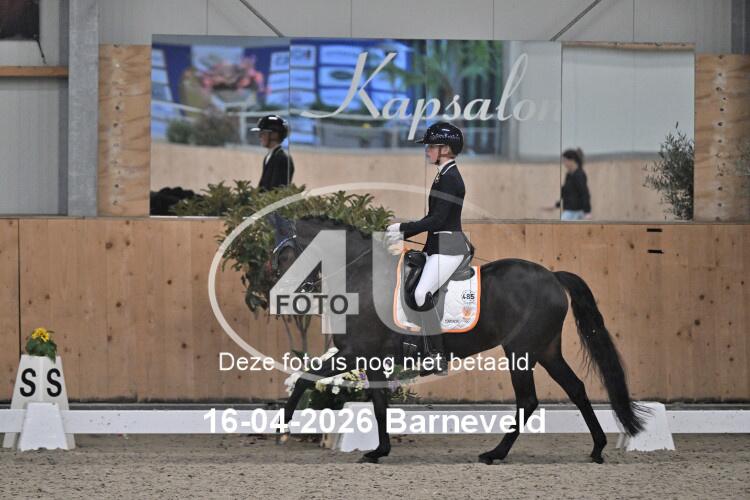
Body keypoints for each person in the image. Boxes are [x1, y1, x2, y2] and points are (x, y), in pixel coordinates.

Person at [385, 122, 471, 376]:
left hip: (448, 247)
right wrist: (403, 233)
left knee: (422, 293)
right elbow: (433, 219)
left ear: (445, 149)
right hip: (437, 245)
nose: (427, 151)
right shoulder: (443, 175)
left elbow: (438, 220)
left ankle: (437, 356)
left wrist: (402, 228)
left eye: (432, 146)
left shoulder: (450, 178)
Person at [252, 115, 294, 191]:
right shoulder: (269, 157)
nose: (260, 136)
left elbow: (277, 189)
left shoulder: (282, 158)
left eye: (263, 133)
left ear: (274, 135)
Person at [555, 148, 591, 220]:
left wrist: (587, 211)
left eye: (565, 161)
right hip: (569, 210)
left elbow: (584, 193)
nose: (564, 163)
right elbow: (566, 194)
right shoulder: (569, 175)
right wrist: (557, 205)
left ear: (572, 161)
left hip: (576, 211)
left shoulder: (579, 175)